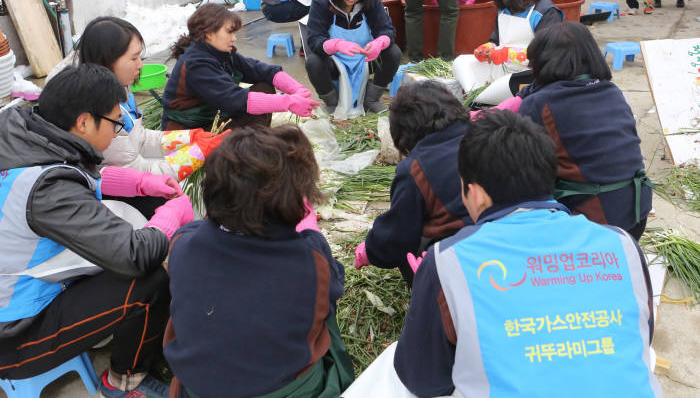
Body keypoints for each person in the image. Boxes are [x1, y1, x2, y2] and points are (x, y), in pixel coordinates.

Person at [393, 110, 661, 397]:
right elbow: (638, 339)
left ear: (476, 193)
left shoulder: (449, 261)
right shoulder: (622, 244)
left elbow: (422, 379)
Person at [0, 64, 194, 398]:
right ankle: (123, 381)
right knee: (148, 280)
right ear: (85, 121)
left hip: (16, 289)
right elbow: (133, 255)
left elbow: (79, 178)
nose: (118, 132)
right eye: (116, 123)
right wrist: (172, 214)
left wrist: (141, 182)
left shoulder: (25, 137)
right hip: (14, 335)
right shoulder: (47, 190)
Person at [164, 125, 354, 397]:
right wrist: (310, 231)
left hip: (198, 387)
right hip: (285, 388)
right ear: (293, 205)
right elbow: (334, 286)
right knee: (325, 311)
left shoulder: (182, 243)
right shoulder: (310, 254)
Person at [518, 22, 653, 239]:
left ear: (541, 62)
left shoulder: (539, 104)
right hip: (638, 213)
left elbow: (527, 171)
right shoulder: (612, 91)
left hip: (596, 224)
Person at [76, 17, 228, 189]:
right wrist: (197, 152)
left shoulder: (121, 89)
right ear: (106, 61)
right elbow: (142, 177)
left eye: (140, 57)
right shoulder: (101, 115)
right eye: (133, 59)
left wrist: (188, 138)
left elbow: (139, 138)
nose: (140, 65)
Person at [353, 81, 473, 285]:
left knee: (408, 238)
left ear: (404, 133)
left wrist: (371, 249)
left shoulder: (415, 169)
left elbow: (397, 236)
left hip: (459, 265)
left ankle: (431, 296)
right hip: (506, 248)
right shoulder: (483, 134)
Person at [161, 3, 317, 130]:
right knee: (248, 118)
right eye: (229, 32)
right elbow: (235, 99)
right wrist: (288, 102)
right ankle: (250, 148)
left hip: (212, 117)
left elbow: (257, 69)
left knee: (264, 86)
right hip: (190, 130)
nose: (234, 38)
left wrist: (297, 89)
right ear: (209, 33)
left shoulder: (220, 53)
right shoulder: (197, 64)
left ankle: (255, 142)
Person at [306, 0, 401, 114]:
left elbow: (387, 30)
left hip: (365, 58)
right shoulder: (322, 2)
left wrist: (379, 43)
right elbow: (314, 39)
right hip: (334, 61)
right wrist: (335, 45)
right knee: (313, 62)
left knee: (394, 53)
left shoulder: (371, 0)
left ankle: (371, 98)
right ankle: (333, 103)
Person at [453, 0, 563, 93]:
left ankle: (481, 96)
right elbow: (497, 40)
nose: (505, 0)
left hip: (530, 74)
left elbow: (546, 55)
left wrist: (509, 54)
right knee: (461, 62)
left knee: (504, 85)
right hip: (503, 68)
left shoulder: (546, 12)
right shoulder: (506, 8)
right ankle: (477, 95)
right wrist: (489, 47)